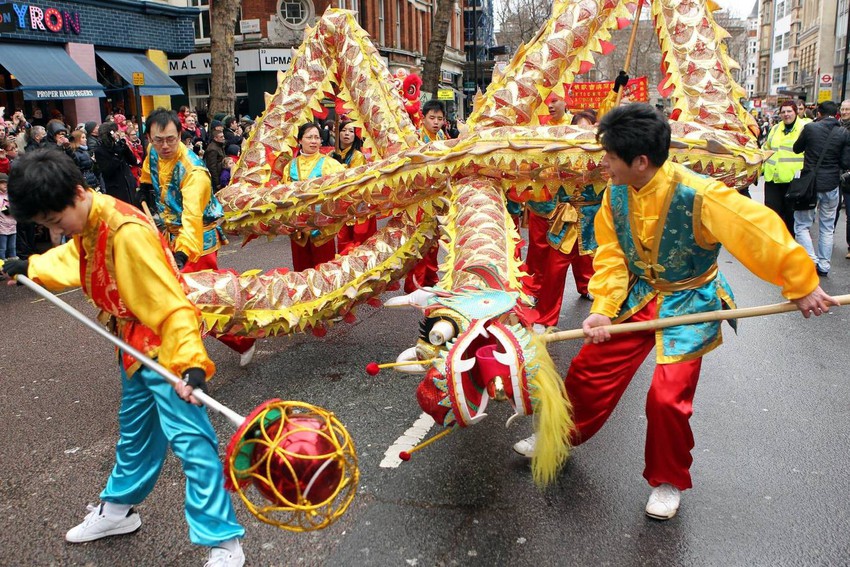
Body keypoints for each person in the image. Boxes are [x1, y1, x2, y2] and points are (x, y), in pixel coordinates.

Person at [512, 104, 836, 521]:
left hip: (691, 299)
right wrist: (605, 310)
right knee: (590, 367)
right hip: (638, 294)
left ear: (640, 161)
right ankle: (558, 437)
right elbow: (611, 254)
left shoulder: (700, 193)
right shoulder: (614, 193)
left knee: (667, 398)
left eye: (610, 156)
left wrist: (803, 283)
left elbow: (758, 232)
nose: (604, 164)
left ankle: (668, 479)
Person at [0, 149, 246, 566]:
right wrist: (33, 266)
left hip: (164, 348)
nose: (56, 231)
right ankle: (117, 512)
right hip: (131, 346)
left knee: (192, 445)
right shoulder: (89, 218)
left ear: (78, 192)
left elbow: (172, 306)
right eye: (46, 226)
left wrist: (190, 363)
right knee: (136, 434)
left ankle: (224, 543)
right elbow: (78, 259)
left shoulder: (125, 231)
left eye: (56, 222)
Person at [139, 108, 256, 366]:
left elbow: (192, 217)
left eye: (171, 139)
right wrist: (145, 188)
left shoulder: (194, 171)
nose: (165, 145)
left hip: (197, 241)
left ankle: (235, 342)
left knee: (200, 300)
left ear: (181, 134)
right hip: (170, 236)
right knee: (175, 298)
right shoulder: (154, 152)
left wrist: (182, 254)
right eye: (158, 140)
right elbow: (149, 170)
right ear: (149, 138)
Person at [523, 105, 597, 332]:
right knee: (555, 269)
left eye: (587, 130)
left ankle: (602, 312)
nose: (581, 136)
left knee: (600, 266)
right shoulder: (560, 157)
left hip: (593, 222)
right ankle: (546, 317)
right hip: (565, 220)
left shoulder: (604, 158)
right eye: (577, 130)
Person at [274, 121, 346, 271]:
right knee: (301, 272)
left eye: (317, 137)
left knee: (324, 272)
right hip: (298, 230)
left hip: (322, 228)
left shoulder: (331, 164)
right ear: (300, 140)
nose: (314, 141)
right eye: (309, 137)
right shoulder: (290, 167)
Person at [791, 100, 850, 276]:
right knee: (827, 227)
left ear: (818, 113)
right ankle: (824, 265)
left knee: (802, 225)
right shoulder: (843, 133)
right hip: (832, 185)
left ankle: (812, 260)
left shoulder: (810, 129)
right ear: (837, 113)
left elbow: (796, 149)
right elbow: (846, 162)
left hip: (810, 185)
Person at [403, 100, 447, 294]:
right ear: (423, 118)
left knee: (434, 241)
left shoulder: (441, 136)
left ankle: (430, 279)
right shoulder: (416, 138)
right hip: (420, 197)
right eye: (432, 118)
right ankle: (415, 284)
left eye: (439, 118)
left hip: (437, 196)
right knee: (419, 240)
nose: (436, 122)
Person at [332, 118, 376, 254]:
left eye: (350, 131)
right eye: (343, 130)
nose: (346, 134)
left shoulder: (358, 156)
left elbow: (353, 179)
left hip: (356, 204)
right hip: (339, 205)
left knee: (359, 242)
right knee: (342, 241)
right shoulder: (331, 155)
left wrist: (339, 167)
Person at [761, 100, 805, 234]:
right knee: (772, 215)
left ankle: (789, 246)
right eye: (783, 112)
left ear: (796, 112)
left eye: (789, 111)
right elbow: (766, 148)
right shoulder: (775, 128)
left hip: (792, 180)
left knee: (790, 217)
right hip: (773, 179)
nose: (786, 114)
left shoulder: (805, 128)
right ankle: (775, 245)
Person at [94, 123, 139, 207]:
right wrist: (117, 155)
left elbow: (133, 161)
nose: (117, 134)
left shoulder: (118, 145)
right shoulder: (100, 151)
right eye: (115, 132)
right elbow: (107, 171)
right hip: (117, 189)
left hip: (129, 185)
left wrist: (125, 148)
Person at [204, 129, 227, 193]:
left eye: (223, 136)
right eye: (221, 137)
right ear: (215, 138)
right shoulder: (212, 149)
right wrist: (217, 183)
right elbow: (212, 167)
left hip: (221, 174)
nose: (223, 138)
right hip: (217, 178)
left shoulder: (219, 145)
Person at [0, 172, 15, 262]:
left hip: (13, 225)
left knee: (12, 247)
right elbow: (4, 210)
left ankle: (13, 265)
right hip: (2, 227)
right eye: (2, 183)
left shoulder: (10, 195)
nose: (5, 185)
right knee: (2, 248)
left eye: (6, 183)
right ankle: (2, 267)